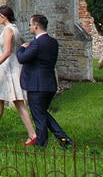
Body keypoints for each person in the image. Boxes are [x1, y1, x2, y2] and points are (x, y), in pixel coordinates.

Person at [0, 5, 35, 142]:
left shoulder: (9, 30)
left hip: (10, 68)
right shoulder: (12, 29)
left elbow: (8, 51)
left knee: (18, 101)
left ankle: (32, 134)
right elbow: (18, 45)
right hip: (8, 67)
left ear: (5, 16)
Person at [16, 14, 71, 149]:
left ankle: (42, 143)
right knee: (42, 113)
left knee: (39, 116)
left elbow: (22, 58)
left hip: (37, 85)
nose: (29, 27)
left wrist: (21, 48)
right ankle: (63, 139)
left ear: (36, 26)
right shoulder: (53, 42)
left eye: (30, 24)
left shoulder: (37, 43)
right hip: (50, 84)